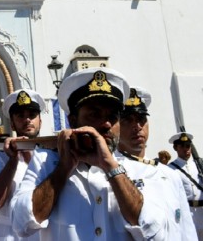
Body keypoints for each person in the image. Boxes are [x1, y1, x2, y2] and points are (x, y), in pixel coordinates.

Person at [12, 67, 170, 240]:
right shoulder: (46, 162)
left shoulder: (139, 169)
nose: (107, 124)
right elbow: (21, 224)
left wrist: (111, 167)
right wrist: (63, 170)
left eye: (113, 116)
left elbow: (155, 233)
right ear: (73, 121)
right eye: (95, 114)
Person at [118, 86, 196, 240]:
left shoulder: (169, 174)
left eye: (141, 120)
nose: (137, 126)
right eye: (128, 120)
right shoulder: (113, 171)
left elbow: (186, 229)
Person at [0, 89, 45, 241]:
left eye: (32, 115)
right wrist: (13, 160)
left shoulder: (50, 155)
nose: (27, 120)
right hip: (9, 234)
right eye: (20, 116)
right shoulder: (1, 157)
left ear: (40, 120)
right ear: (12, 123)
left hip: (43, 233)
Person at [168, 132, 203, 239]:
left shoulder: (199, 165)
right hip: (187, 213)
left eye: (188, 146)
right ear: (175, 148)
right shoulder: (170, 169)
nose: (186, 149)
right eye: (182, 146)